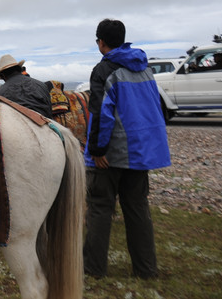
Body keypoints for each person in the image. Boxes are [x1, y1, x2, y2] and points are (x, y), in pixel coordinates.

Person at [83, 19, 171, 279]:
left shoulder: (104, 71)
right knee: (138, 210)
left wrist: (98, 151)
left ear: (101, 42)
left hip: (111, 155)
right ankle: (146, 269)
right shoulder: (144, 68)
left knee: (100, 208)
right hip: (140, 153)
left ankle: (93, 268)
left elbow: (100, 114)